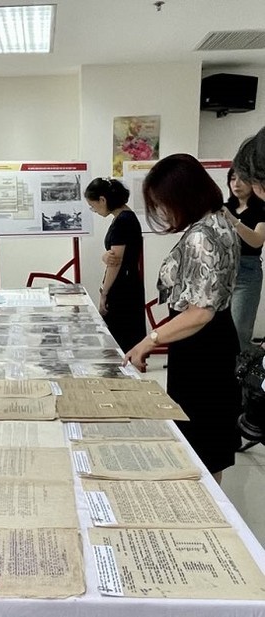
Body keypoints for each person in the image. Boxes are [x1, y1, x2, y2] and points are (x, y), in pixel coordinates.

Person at [124, 154, 241, 482]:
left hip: (201, 347)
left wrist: (150, 340)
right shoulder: (220, 221)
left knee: (200, 441)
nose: (162, 211)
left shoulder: (202, 236)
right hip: (213, 340)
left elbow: (200, 311)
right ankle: (210, 508)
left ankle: (206, 513)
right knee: (208, 444)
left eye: (163, 203)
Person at [84, 177, 145, 352]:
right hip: (129, 283)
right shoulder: (125, 216)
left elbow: (115, 262)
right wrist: (105, 256)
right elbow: (113, 257)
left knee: (118, 345)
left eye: (93, 205)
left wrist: (104, 292)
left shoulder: (123, 221)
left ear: (102, 200)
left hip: (122, 289)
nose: (93, 210)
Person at [221, 167, 265, 349]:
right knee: (219, 328)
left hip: (247, 270)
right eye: (232, 179)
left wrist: (233, 221)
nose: (236, 184)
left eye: (242, 179)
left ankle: (240, 374)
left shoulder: (261, 209)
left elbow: (256, 241)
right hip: (222, 270)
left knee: (239, 330)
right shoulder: (225, 207)